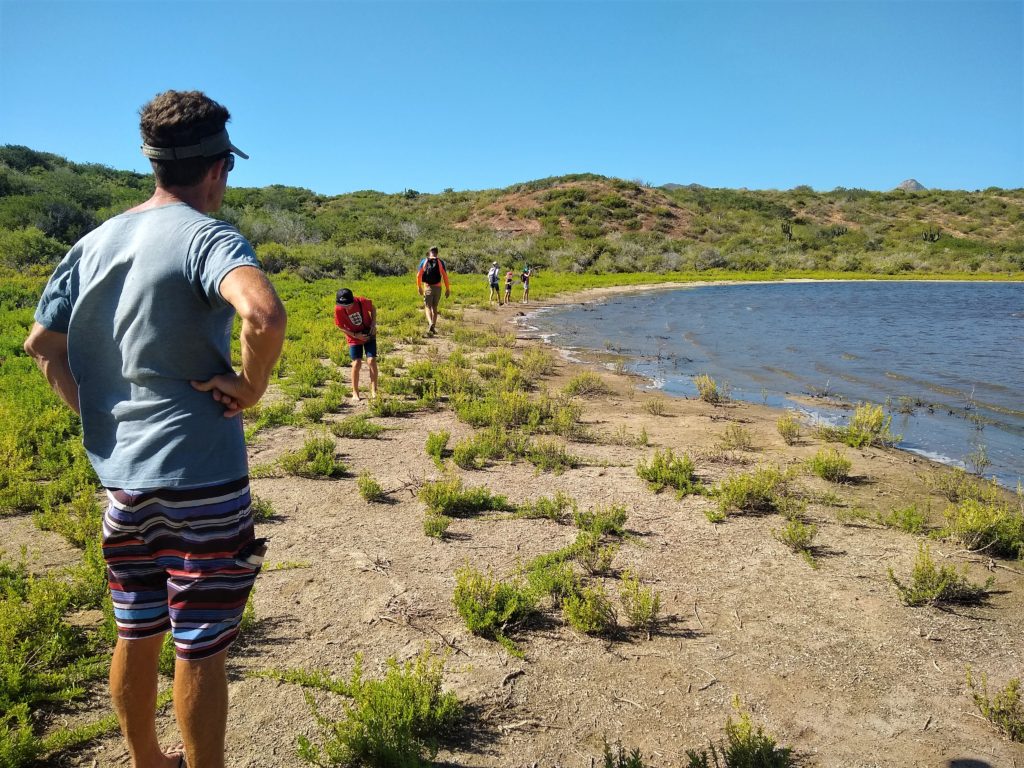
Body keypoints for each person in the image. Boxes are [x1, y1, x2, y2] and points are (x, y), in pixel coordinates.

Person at [23, 90, 286, 768]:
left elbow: (42, 347)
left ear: (153, 163)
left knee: (136, 629)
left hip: (124, 486)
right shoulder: (209, 237)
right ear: (220, 167)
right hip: (201, 481)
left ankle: (147, 760)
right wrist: (251, 387)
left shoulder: (92, 243)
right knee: (200, 644)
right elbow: (262, 314)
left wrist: (99, 414)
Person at [333, 288, 378, 400]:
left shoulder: (361, 301)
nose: (346, 307)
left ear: (353, 300)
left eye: (348, 304)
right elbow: (340, 326)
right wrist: (355, 335)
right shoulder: (338, 309)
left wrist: (373, 324)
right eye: (343, 305)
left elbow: (373, 308)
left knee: (371, 360)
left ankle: (374, 390)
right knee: (356, 363)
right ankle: (355, 392)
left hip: (368, 333)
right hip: (353, 338)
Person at [416, 246, 450, 335]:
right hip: (438, 288)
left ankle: (430, 323)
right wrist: (447, 289)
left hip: (428, 287)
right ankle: (433, 327)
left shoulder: (424, 261)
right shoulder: (440, 262)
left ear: (429, 252)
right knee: (435, 308)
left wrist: (419, 287)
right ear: (437, 253)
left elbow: (418, 275)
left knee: (427, 307)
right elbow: (445, 276)